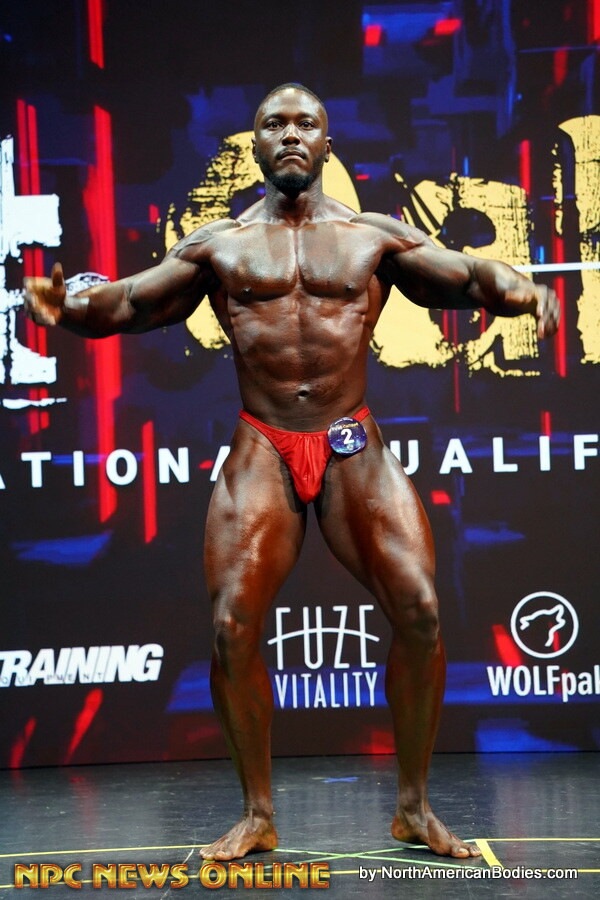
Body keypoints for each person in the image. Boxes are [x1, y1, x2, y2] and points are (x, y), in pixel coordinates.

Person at [24, 83, 559, 861]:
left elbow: (470, 278)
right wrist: (67, 308)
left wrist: (525, 292)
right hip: (264, 445)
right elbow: (133, 304)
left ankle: (414, 808)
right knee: (232, 626)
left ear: (327, 143)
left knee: (420, 610)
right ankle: (258, 815)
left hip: (350, 444)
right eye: (274, 124)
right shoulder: (221, 245)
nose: (290, 134)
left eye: (306, 122)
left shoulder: (372, 237)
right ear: (256, 146)